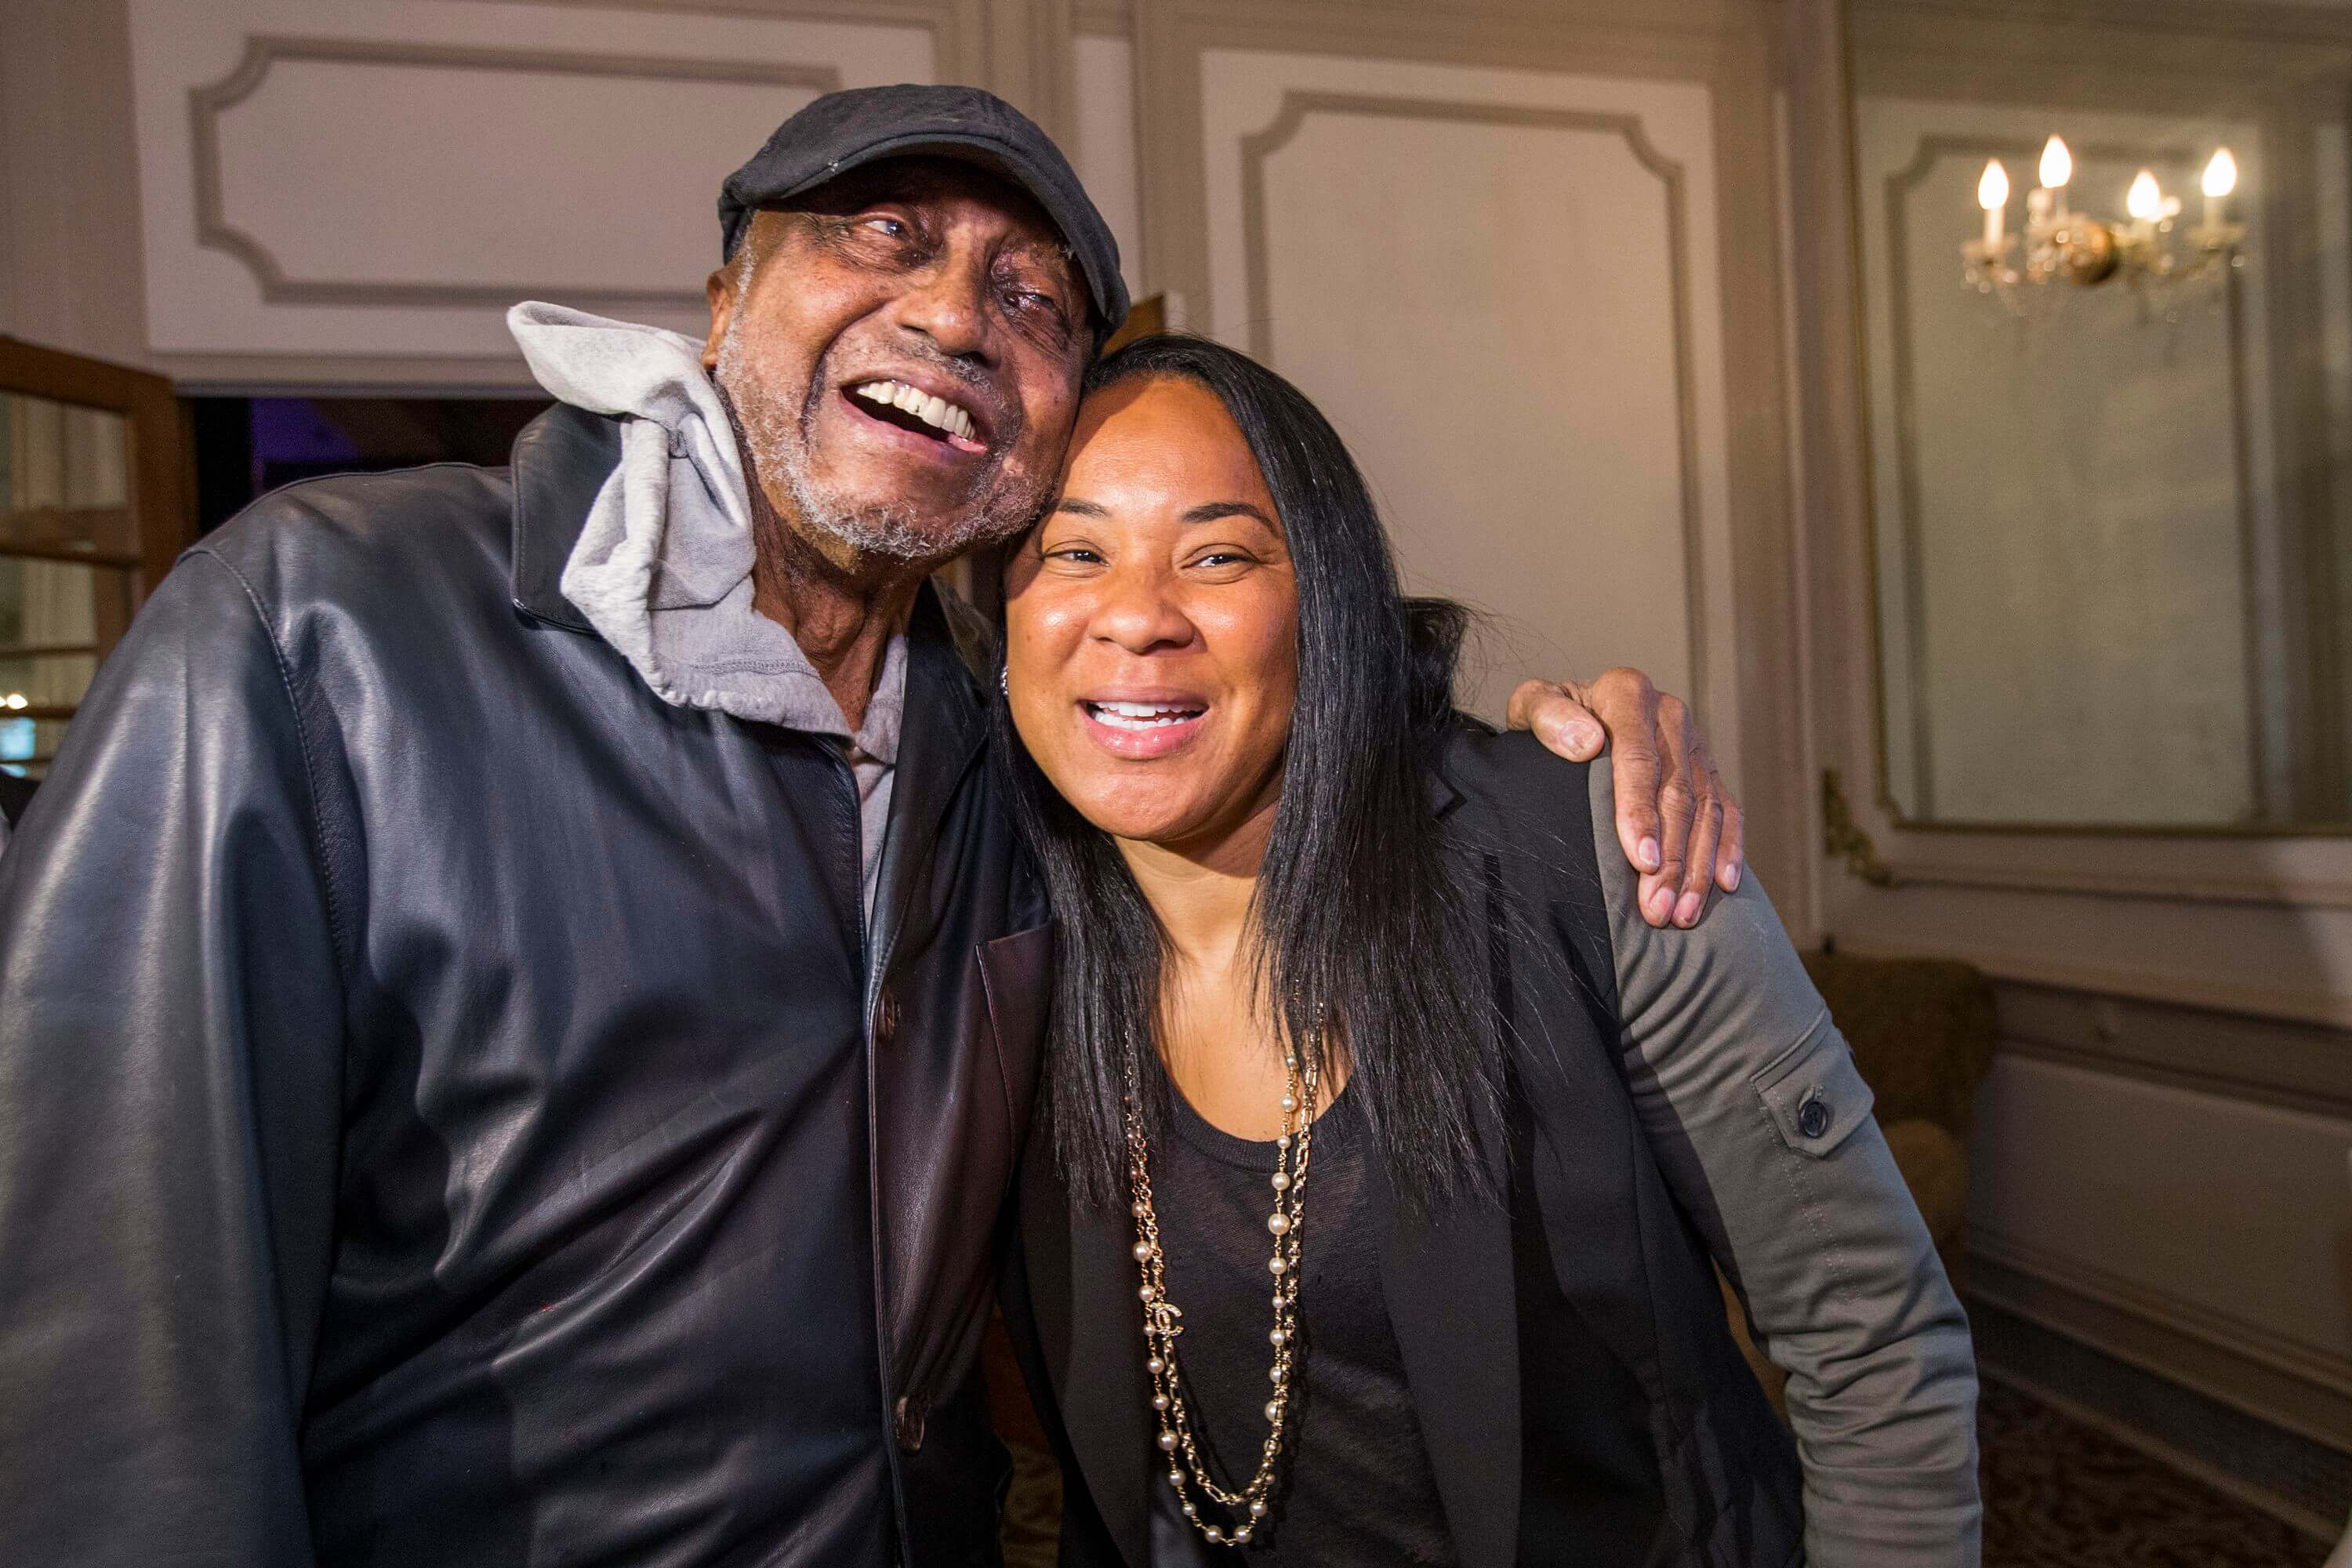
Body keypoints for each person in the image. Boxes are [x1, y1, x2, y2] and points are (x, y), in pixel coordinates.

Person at [0, 87, 1744, 1567]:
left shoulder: (1020, 769)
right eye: (885, 235)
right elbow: (103, 1339)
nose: (958, 314)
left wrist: (1532, 740)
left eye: (1035, 299)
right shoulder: (329, 632)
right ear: (720, 305)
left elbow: (1276, 698)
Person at [992, 336, 1981, 1566]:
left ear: (1330, 604)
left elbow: (1871, 1342)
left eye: (1220, 556)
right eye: (1074, 552)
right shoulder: (991, 938)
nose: (1137, 617)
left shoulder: (1587, 848)